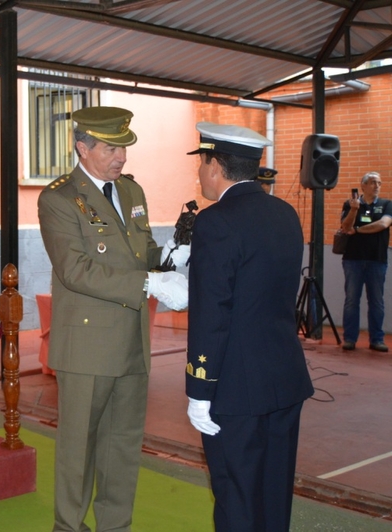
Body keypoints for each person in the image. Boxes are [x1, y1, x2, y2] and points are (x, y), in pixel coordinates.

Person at [38, 106, 188, 532]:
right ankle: (68, 527)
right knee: (77, 447)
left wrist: (174, 259)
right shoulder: (59, 198)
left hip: (131, 339)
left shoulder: (131, 193)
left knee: (121, 446)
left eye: (123, 147)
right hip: (87, 344)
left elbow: (141, 252)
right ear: (82, 147)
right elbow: (76, 270)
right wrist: (149, 285)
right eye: (110, 147)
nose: (121, 156)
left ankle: (115, 527)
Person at [185, 122, 314, 532]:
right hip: (284, 377)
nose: (200, 172)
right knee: (274, 493)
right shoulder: (284, 213)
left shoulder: (216, 221)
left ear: (215, 165)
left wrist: (199, 389)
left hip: (236, 389)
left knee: (237, 496)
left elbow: (212, 314)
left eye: (202, 162)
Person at [339, 171, 392, 352]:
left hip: (377, 260)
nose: (377, 186)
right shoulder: (350, 204)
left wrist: (359, 230)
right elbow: (345, 227)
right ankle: (350, 339)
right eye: (372, 182)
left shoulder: (386, 204)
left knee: (376, 301)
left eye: (379, 182)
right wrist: (354, 209)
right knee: (352, 300)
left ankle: (377, 339)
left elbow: (383, 224)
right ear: (363, 186)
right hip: (353, 260)